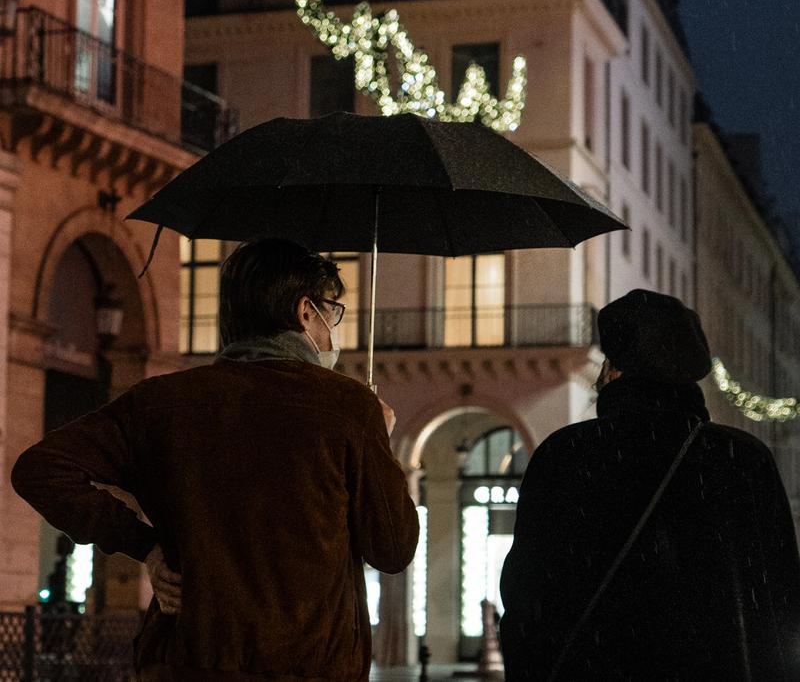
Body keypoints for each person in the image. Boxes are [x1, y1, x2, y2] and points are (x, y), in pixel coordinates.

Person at [12, 238, 419, 682]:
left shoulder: (161, 403)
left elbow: (41, 469)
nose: (331, 330)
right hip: (307, 662)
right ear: (305, 312)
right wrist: (379, 440)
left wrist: (144, 548)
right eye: (331, 313)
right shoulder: (346, 408)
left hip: (187, 656)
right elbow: (393, 548)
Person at [499, 288, 800, 681]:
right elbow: (780, 603)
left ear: (615, 367)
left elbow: (527, 601)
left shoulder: (566, 455)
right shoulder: (742, 459)